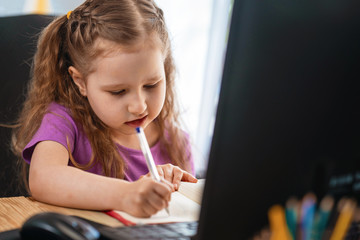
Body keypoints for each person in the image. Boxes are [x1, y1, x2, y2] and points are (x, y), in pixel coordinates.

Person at [11, 0, 197, 217]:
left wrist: (173, 187)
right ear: (80, 82)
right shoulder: (62, 121)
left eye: (151, 85)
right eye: (118, 91)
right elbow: (43, 178)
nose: (139, 106)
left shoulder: (176, 142)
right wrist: (126, 194)